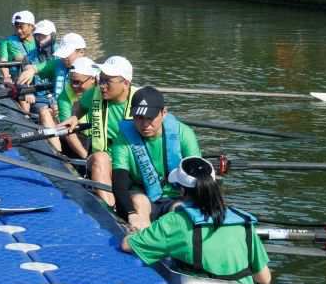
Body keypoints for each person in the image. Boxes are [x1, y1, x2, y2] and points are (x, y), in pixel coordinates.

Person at [121, 155, 271, 284]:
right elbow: (264, 278)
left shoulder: (175, 221)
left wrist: (134, 232)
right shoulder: (243, 221)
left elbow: (127, 245)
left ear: (182, 190)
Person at [112, 86, 202, 230]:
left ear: (164, 113)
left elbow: (198, 179)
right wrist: (131, 213)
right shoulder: (123, 138)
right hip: (142, 196)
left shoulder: (184, 134)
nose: (145, 125)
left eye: (150, 118)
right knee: (139, 202)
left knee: (180, 210)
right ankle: (145, 239)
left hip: (176, 197)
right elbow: (119, 182)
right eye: (139, 118)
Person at [58, 55, 135, 208]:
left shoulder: (140, 101)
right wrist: (75, 117)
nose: (102, 85)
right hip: (103, 158)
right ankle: (111, 212)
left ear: (126, 83)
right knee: (100, 158)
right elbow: (80, 106)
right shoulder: (93, 94)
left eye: (108, 81)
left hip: (130, 161)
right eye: (101, 79)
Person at [15, 32, 88, 155]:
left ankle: (82, 157)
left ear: (81, 52)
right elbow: (34, 68)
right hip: (59, 118)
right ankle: (58, 155)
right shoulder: (58, 64)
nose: (64, 58)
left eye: (67, 54)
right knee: (44, 112)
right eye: (63, 54)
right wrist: (30, 70)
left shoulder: (91, 73)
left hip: (81, 123)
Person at [0, 10, 38, 115]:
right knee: (24, 96)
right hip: (18, 79)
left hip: (38, 78)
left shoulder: (40, 40)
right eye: (16, 27)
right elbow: (3, 61)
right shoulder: (9, 41)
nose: (19, 31)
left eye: (21, 27)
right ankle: (26, 117)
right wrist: (6, 77)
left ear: (31, 27)